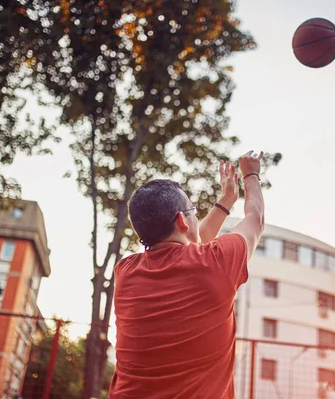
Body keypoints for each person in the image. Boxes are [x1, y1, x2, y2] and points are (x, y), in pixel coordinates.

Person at [109, 150, 265, 398]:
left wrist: (226, 201)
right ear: (182, 220)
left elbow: (194, 244)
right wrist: (251, 175)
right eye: (193, 211)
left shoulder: (125, 272)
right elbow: (255, 218)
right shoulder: (216, 263)